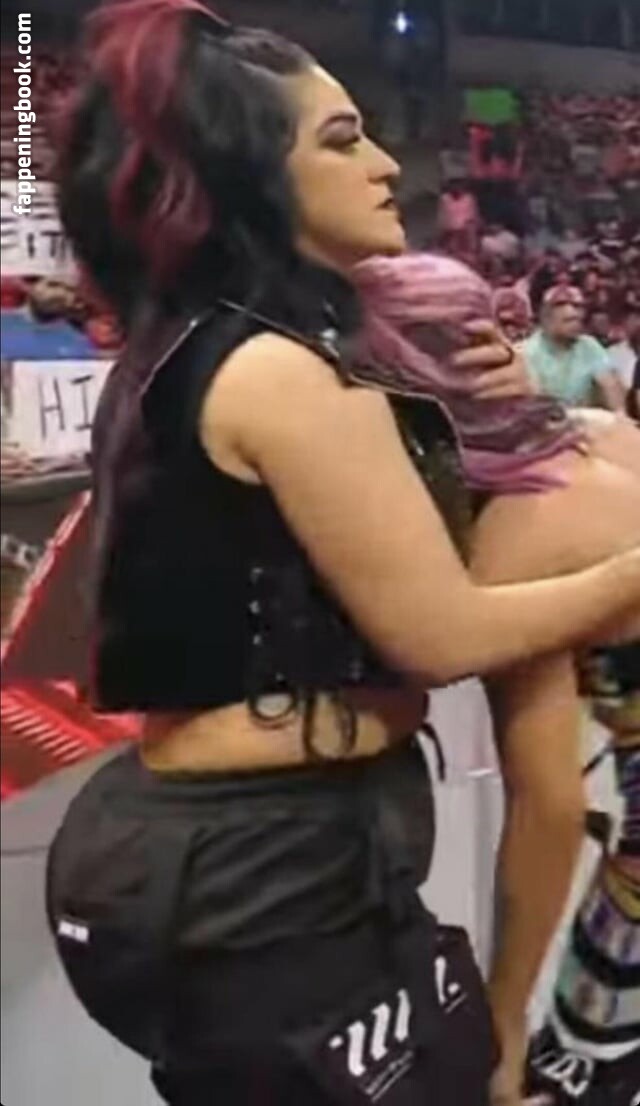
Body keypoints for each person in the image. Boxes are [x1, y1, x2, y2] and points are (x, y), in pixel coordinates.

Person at [45, 4, 640, 1105]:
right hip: (260, 858)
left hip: (236, 846)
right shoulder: (285, 375)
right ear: (247, 173)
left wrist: (478, 400)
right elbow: (440, 633)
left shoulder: (204, 345)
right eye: (340, 139)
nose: (384, 165)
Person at [352, 251, 640, 1105]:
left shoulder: (515, 540)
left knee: (579, 1064)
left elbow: (547, 806)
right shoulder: (607, 432)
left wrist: (503, 1020)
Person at [523, 287, 626, 410]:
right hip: (543, 416)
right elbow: (533, 396)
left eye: (577, 319)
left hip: (585, 417)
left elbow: (610, 384)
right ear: (546, 317)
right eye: (568, 320)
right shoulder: (527, 351)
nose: (575, 324)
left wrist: (620, 414)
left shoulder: (589, 346)